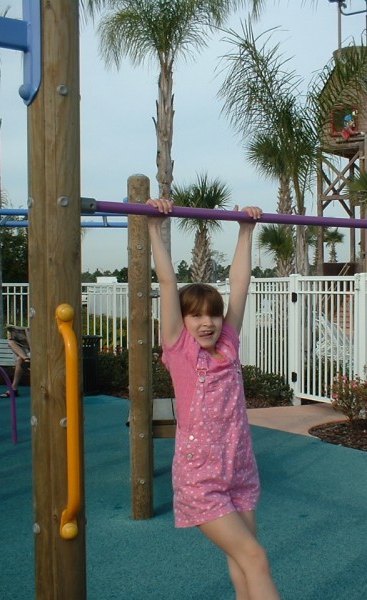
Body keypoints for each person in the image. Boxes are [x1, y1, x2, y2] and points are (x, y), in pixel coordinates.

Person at [147, 198, 281, 600]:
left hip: (239, 467)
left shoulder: (229, 341)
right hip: (201, 476)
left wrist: (246, 230)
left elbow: (240, 284)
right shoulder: (179, 350)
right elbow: (169, 284)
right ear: (183, 323)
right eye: (196, 316)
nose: (207, 323)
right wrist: (154, 226)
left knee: (243, 565)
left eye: (213, 315)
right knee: (255, 557)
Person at [1, 325, 30, 398]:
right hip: (26, 352)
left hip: (36, 352)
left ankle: (13, 389)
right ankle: (26, 358)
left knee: (20, 359)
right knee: (11, 342)